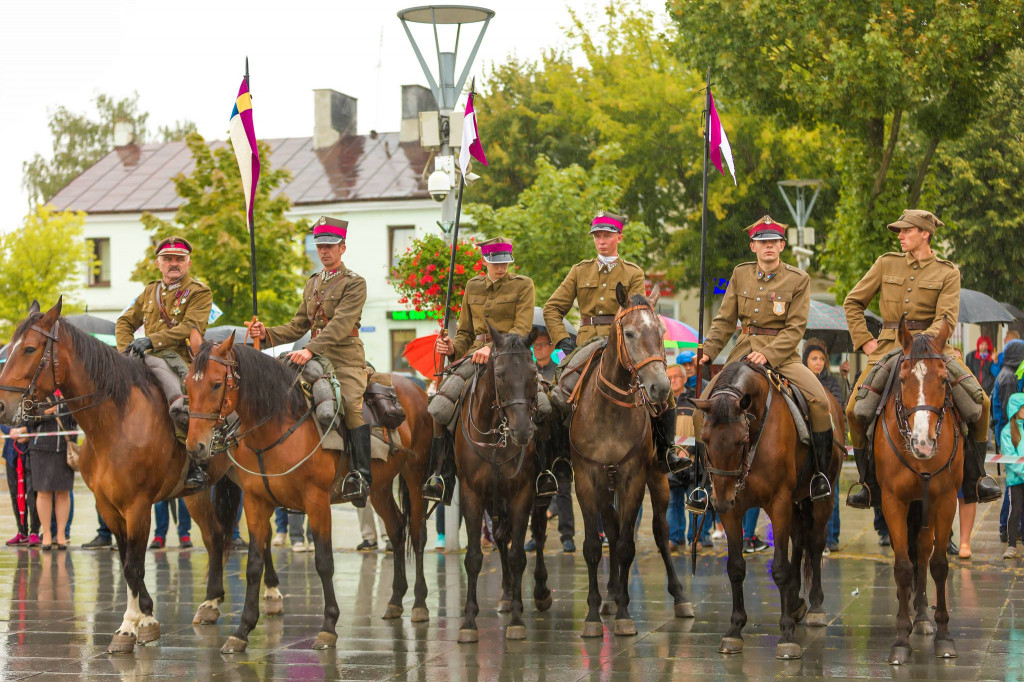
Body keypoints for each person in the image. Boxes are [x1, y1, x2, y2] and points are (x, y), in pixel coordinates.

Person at [844, 209, 1000, 508]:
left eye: (906, 231)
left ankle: (976, 479)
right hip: (889, 348)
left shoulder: (947, 271)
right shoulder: (885, 262)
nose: (900, 236)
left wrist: (920, 345)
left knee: (980, 403)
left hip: (934, 349)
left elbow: (946, 318)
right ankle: (867, 484)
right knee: (853, 409)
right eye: (899, 232)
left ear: (925, 233)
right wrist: (865, 341)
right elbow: (853, 301)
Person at [694, 215, 834, 502]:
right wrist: (709, 349)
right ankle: (705, 481)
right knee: (702, 410)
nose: (768, 246)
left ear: (782, 245)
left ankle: (820, 475)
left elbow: (796, 327)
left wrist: (769, 353)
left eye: (773, 242)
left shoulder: (798, 279)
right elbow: (724, 318)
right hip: (742, 352)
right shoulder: (740, 274)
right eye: (762, 242)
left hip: (784, 356)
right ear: (752, 247)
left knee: (820, 402)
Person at [543, 210, 688, 475]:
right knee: (557, 392)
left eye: (607, 235)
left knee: (662, 391)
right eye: (597, 236)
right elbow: (552, 308)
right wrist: (562, 341)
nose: (601, 241)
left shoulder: (632, 272)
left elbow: (638, 314)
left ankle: (666, 451)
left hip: (623, 346)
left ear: (619, 237)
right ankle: (558, 458)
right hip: (586, 345)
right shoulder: (579, 271)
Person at [250, 217, 372, 507]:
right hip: (312, 355)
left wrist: (310, 349)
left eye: (330, 245)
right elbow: (297, 326)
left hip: (345, 358)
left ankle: (361, 476)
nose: (324, 251)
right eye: (320, 246)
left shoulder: (355, 283)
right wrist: (265, 334)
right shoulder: (313, 283)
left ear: (342, 248)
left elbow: (341, 325)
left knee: (351, 405)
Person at [423, 237, 556, 502]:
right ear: (484, 261)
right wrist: (451, 348)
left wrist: (494, 348)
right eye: (496, 263)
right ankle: (441, 474)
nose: (501, 268)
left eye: (505, 263)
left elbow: (521, 327)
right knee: (439, 406)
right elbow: (464, 333)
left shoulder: (523, 285)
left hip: (513, 357)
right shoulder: (472, 287)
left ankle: (544, 471)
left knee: (544, 405)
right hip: (475, 357)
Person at [116, 236, 213, 492]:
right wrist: (126, 349)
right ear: (158, 263)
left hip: (180, 360)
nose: (173, 264)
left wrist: (150, 340)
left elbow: (190, 327)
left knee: (181, 403)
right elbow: (124, 322)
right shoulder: (150, 291)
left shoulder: (199, 292)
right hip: (144, 358)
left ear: (188, 263)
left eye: (179, 259)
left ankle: (196, 464)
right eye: (167, 259)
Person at [525, 329, 576, 553]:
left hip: (557, 437)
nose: (539, 349)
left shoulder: (560, 369)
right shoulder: (529, 370)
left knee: (563, 490)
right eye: (535, 345)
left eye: (544, 345)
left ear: (551, 347)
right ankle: (537, 535)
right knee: (536, 491)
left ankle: (568, 535)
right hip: (536, 437)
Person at [803, 339, 843, 552]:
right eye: (814, 358)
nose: (818, 363)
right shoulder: (798, 380)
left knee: (830, 490)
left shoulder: (832, 382)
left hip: (828, 441)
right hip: (806, 440)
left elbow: (837, 409)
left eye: (822, 359)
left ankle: (830, 537)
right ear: (806, 360)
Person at [29, 396, 76, 550]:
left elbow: (77, 418)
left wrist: (64, 407)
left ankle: (61, 535)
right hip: (41, 448)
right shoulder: (36, 392)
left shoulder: (69, 391)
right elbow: (26, 420)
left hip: (64, 448)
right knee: (43, 492)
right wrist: (45, 412)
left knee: (63, 492)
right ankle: (47, 534)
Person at [3, 425, 38, 546]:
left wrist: (27, 433)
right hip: (11, 452)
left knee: (32, 492)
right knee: (15, 493)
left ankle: (34, 532)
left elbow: (38, 421)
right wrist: (11, 432)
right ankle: (22, 531)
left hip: (31, 450)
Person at [999, 393, 1024, 560]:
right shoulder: (1007, 432)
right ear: (1016, 409)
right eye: (1022, 407)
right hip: (1016, 481)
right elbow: (1011, 458)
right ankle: (1011, 545)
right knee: (1015, 512)